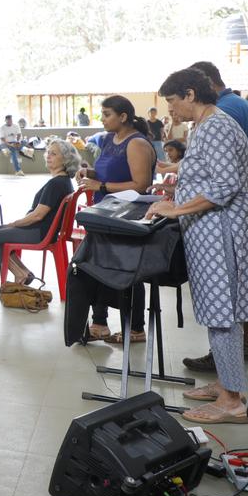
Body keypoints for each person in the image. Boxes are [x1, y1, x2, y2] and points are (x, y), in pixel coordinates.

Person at [145, 68, 248, 425]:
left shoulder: (217, 126)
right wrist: (176, 190)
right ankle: (228, 383)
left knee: (221, 312)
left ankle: (231, 400)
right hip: (215, 230)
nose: (170, 109)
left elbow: (224, 185)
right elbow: (210, 176)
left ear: (191, 94)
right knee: (221, 311)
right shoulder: (209, 125)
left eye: (172, 101)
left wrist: (177, 207)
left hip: (220, 232)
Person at [180, 61, 248, 371]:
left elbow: (222, 181)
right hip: (243, 207)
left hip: (230, 216)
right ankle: (246, 349)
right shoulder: (234, 106)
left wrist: (178, 207)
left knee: (227, 296)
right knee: (240, 290)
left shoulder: (220, 115)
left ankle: (231, 364)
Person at [76, 95, 155, 344]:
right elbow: (107, 171)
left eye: (107, 114)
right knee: (98, 266)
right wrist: (90, 173)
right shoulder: (110, 139)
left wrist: (101, 184)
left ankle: (136, 328)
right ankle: (99, 323)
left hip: (126, 215)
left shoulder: (136, 144)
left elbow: (141, 184)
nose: (103, 119)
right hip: (105, 211)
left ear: (123, 117)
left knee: (126, 270)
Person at [0, 141, 79, 284]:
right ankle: (25, 272)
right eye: (48, 152)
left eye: (54, 154)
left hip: (38, 232)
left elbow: (37, 215)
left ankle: (20, 273)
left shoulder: (56, 184)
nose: (48, 156)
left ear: (66, 159)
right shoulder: (64, 181)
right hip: (45, 231)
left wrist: (14, 224)